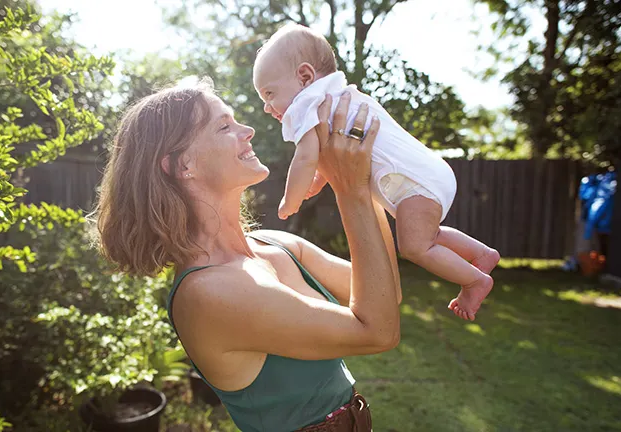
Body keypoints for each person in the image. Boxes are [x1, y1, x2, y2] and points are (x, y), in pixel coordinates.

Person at [92, 80, 401, 431]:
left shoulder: (276, 244)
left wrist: (364, 182)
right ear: (182, 166)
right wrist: (351, 189)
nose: (249, 130)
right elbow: (379, 332)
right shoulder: (208, 293)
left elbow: (386, 295)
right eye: (225, 126)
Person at [252, 23, 500, 321]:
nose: (268, 107)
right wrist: (320, 179)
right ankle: (482, 254)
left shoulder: (308, 103)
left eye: (269, 94)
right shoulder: (339, 96)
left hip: (413, 183)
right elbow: (324, 156)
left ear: (304, 77)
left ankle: (475, 280)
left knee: (415, 246)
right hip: (426, 173)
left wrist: (290, 200)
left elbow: (305, 157)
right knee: (429, 235)